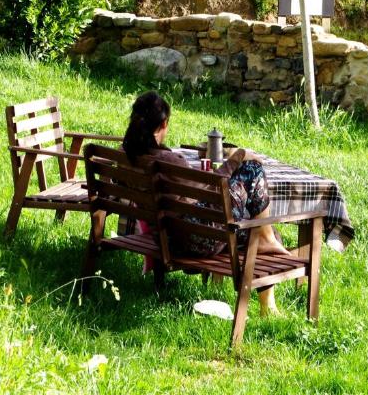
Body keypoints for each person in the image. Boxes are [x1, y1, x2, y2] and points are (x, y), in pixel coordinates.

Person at [122, 91, 288, 314]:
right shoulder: (168, 162)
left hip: (165, 238)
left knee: (254, 231)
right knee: (252, 170)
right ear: (164, 124)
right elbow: (210, 190)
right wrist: (237, 158)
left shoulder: (126, 156)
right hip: (194, 242)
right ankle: (268, 294)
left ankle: (267, 298)